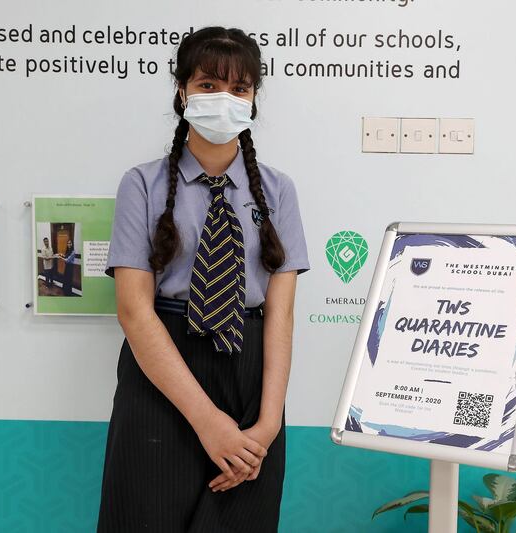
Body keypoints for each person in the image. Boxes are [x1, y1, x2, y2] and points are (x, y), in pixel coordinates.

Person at [97, 26, 310, 532]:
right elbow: (133, 309)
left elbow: (281, 312)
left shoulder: (279, 190)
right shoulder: (141, 184)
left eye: (239, 89)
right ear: (181, 91)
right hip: (162, 374)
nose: (224, 99)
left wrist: (267, 424)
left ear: (254, 100)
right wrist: (208, 421)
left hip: (250, 375)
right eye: (209, 85)